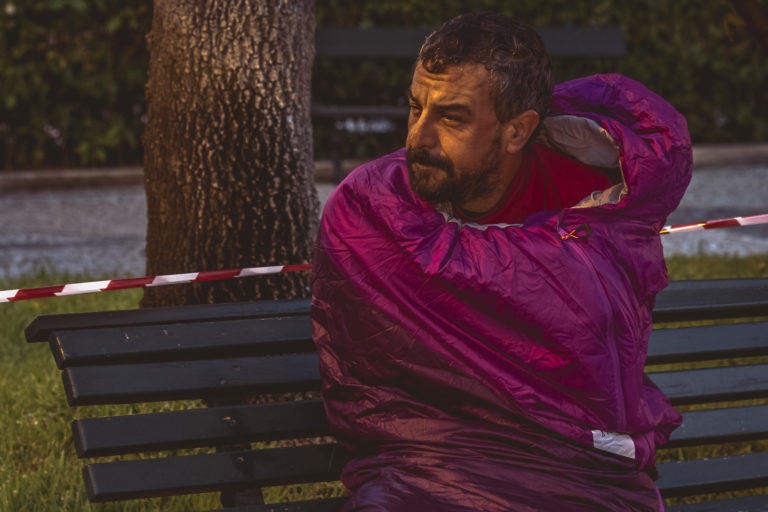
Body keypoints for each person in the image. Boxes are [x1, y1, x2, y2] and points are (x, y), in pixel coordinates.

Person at [312, 11, 691, 512]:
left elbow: (595, 346)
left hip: (575, 471)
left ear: (518, 132)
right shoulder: (375, 209)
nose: (419, 138)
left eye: (451, 118)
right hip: (430, 462)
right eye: (416, 108)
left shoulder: (595, 199)